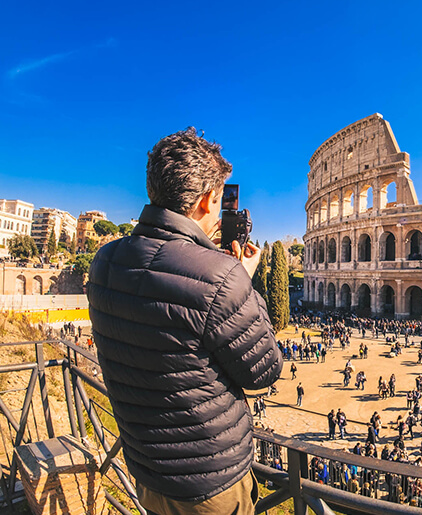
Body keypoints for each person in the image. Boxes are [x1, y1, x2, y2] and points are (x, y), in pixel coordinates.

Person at [87, 128, 283, 515]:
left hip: (146, 467)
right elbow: (263, 372)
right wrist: (242, 277)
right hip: (210, 480)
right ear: (207, 200)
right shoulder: (221, 276)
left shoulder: (105, 262)